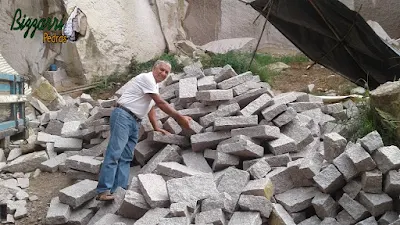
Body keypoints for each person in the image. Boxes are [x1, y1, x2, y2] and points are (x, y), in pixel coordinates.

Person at [96, 60, 192, 201]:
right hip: (123, 115)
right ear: (154, 68)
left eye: (166, 72)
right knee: (115, 153)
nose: (164, 73)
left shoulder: (154, 86)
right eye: (161, 69)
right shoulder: (146, 78)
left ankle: (120, 191)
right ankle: (103, 190)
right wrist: (179, 118)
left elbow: (151, 107)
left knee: (126, 157)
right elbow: (160, 102)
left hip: (135, 121)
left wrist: (156, 127)